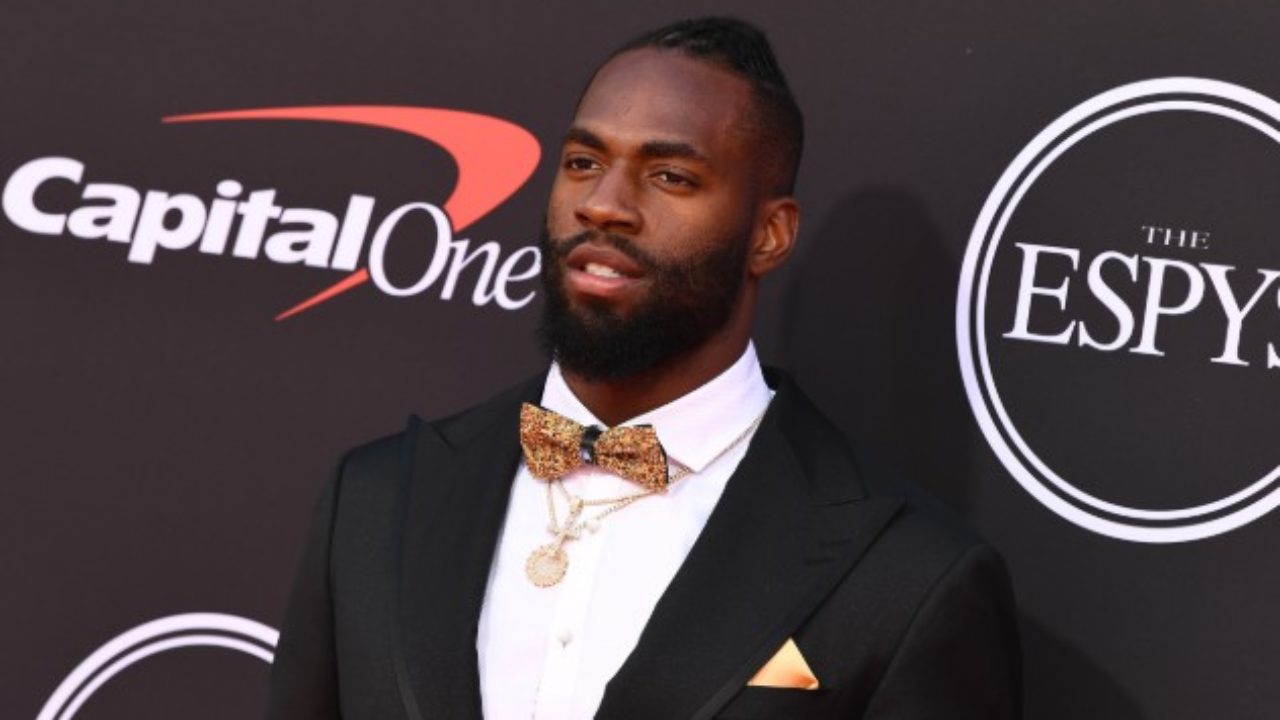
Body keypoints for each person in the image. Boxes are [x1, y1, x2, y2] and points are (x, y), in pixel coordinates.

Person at [265, 16, 1021, 720]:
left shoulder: (906, 579)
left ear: (769, 235)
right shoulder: (375, 502)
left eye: (670, 177)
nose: (604, 204)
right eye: (583, 162)